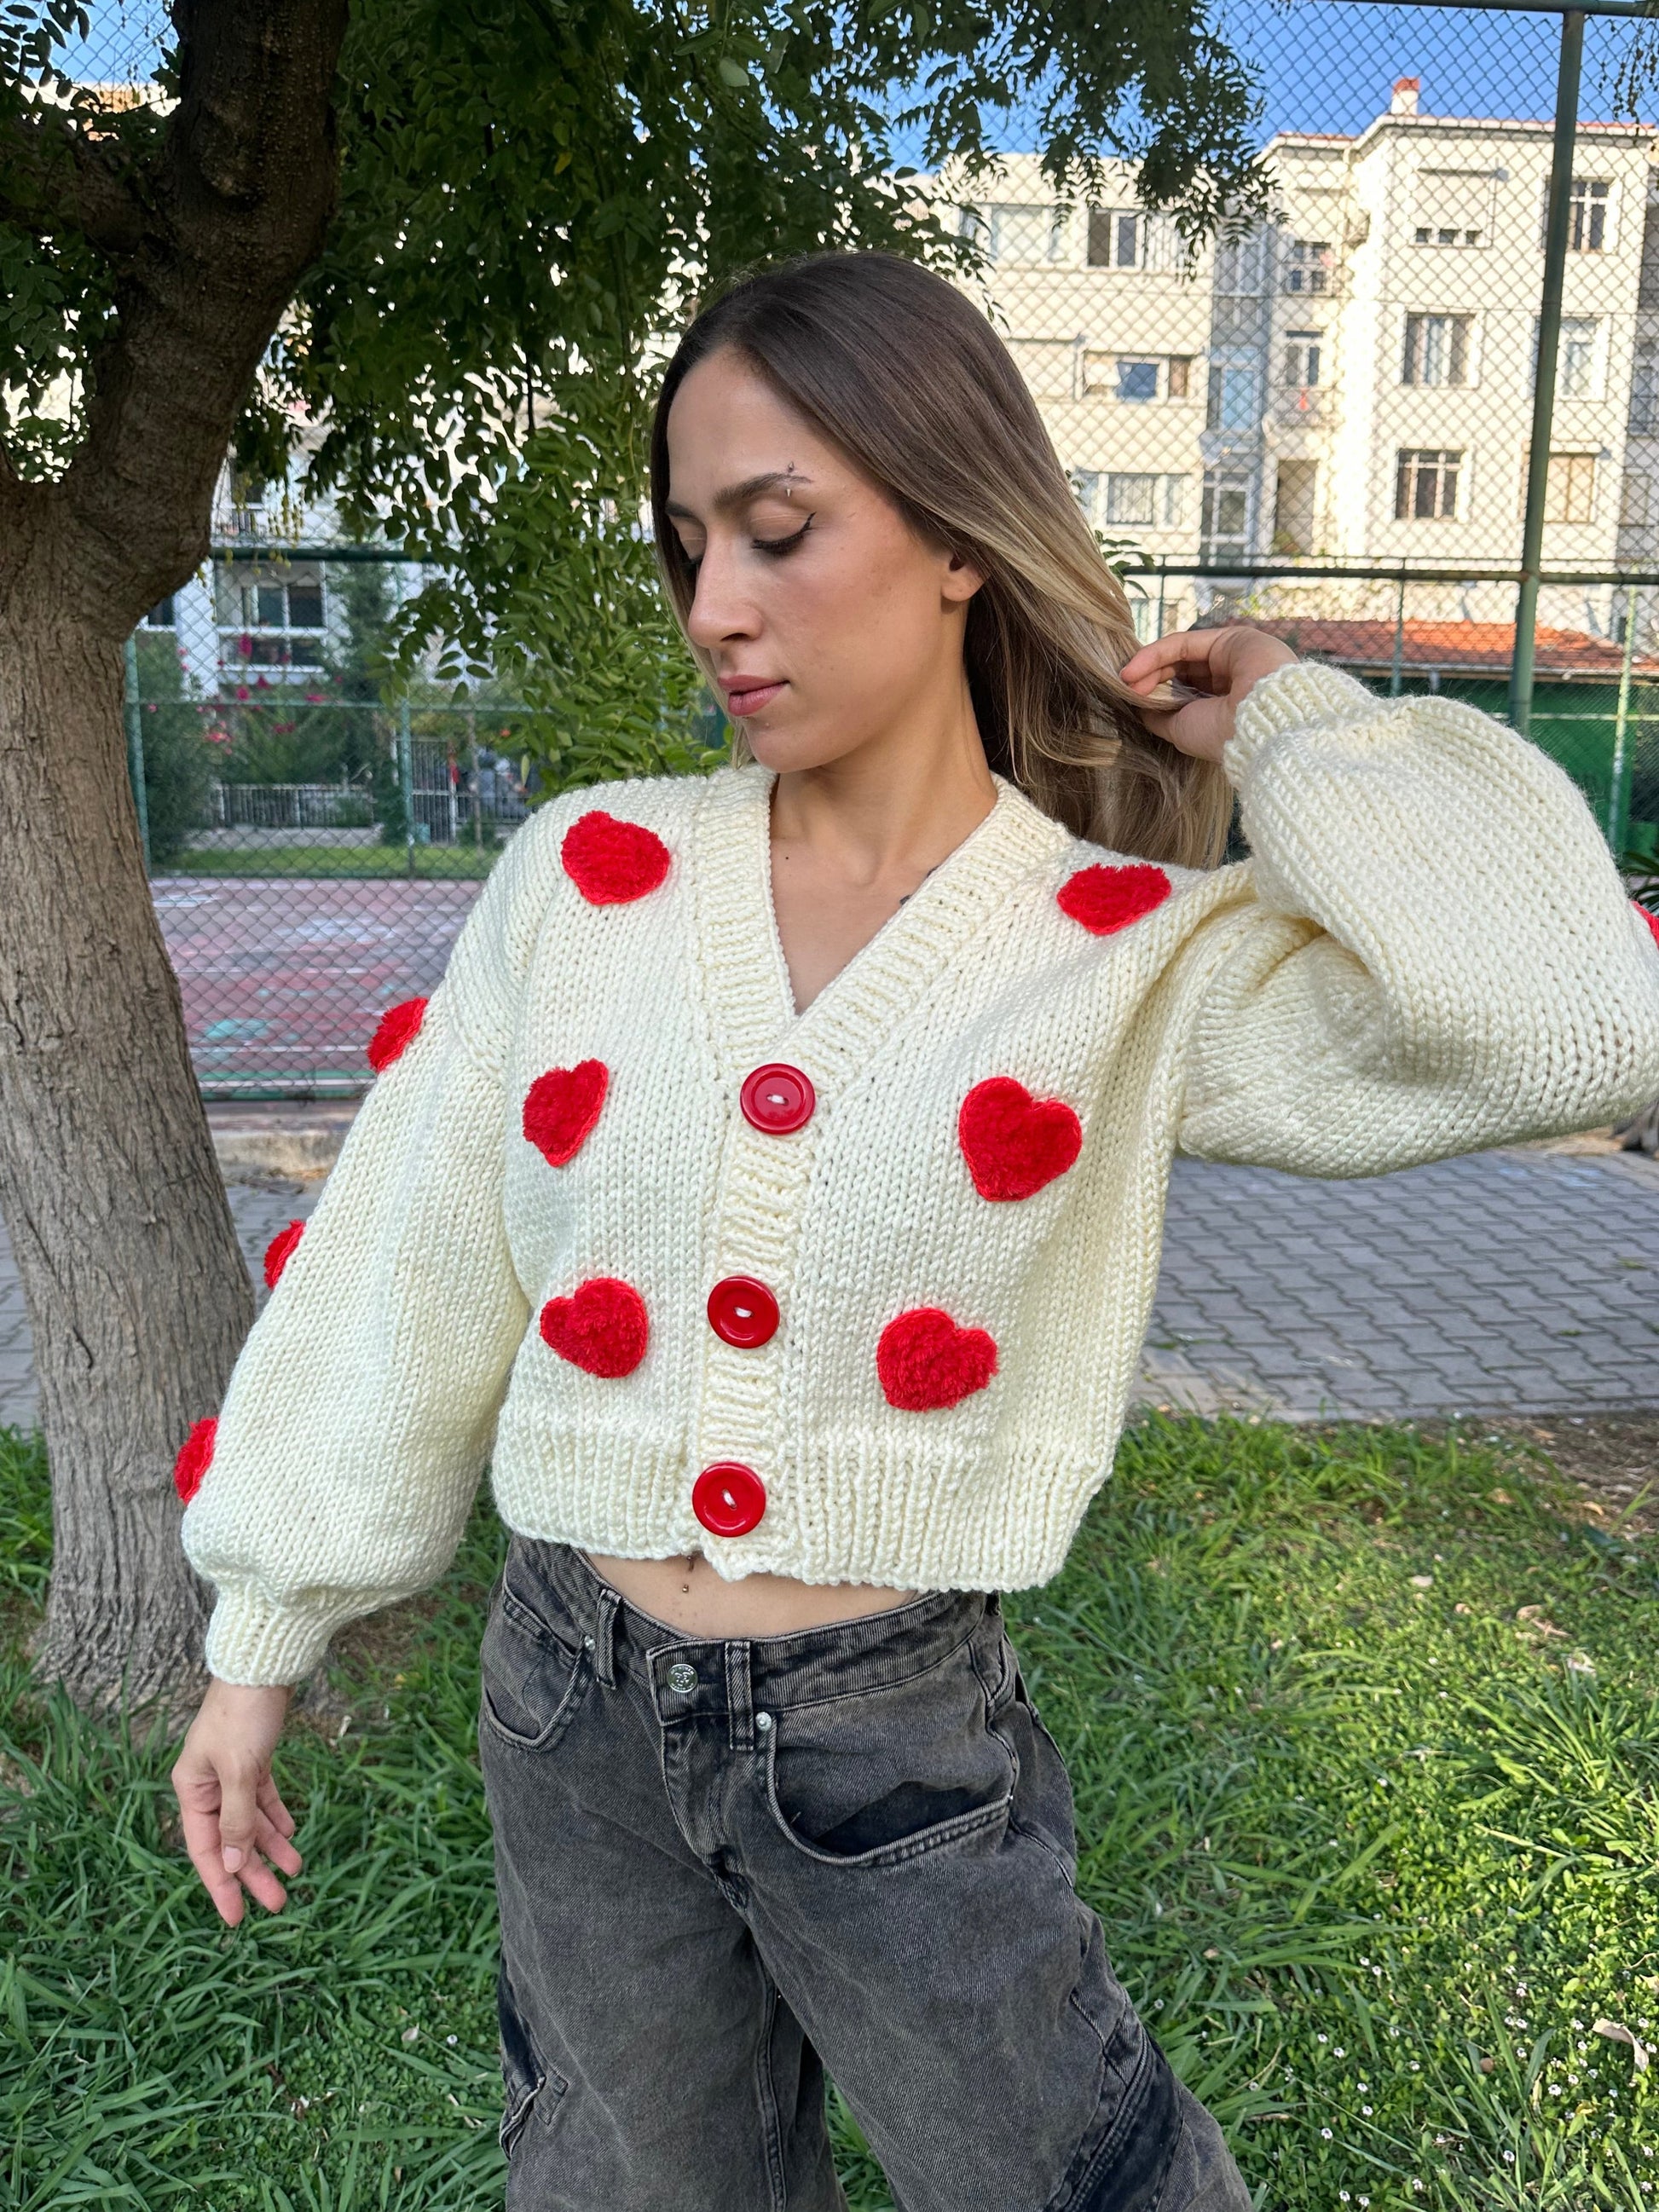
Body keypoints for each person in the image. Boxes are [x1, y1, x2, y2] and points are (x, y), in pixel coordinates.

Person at [170, 251, 1659, 2212]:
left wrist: (1292, 720)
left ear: (958, 536)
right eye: (690, 541)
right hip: (566, 1701)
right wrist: (263, 1626)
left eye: (780, 532)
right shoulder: (584, 881)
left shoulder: (1125, 955)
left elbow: (1565, 1016)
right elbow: (413, 1253)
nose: (715, 606)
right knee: (623, 2184)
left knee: (1069, 2178)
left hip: (886, 1730)